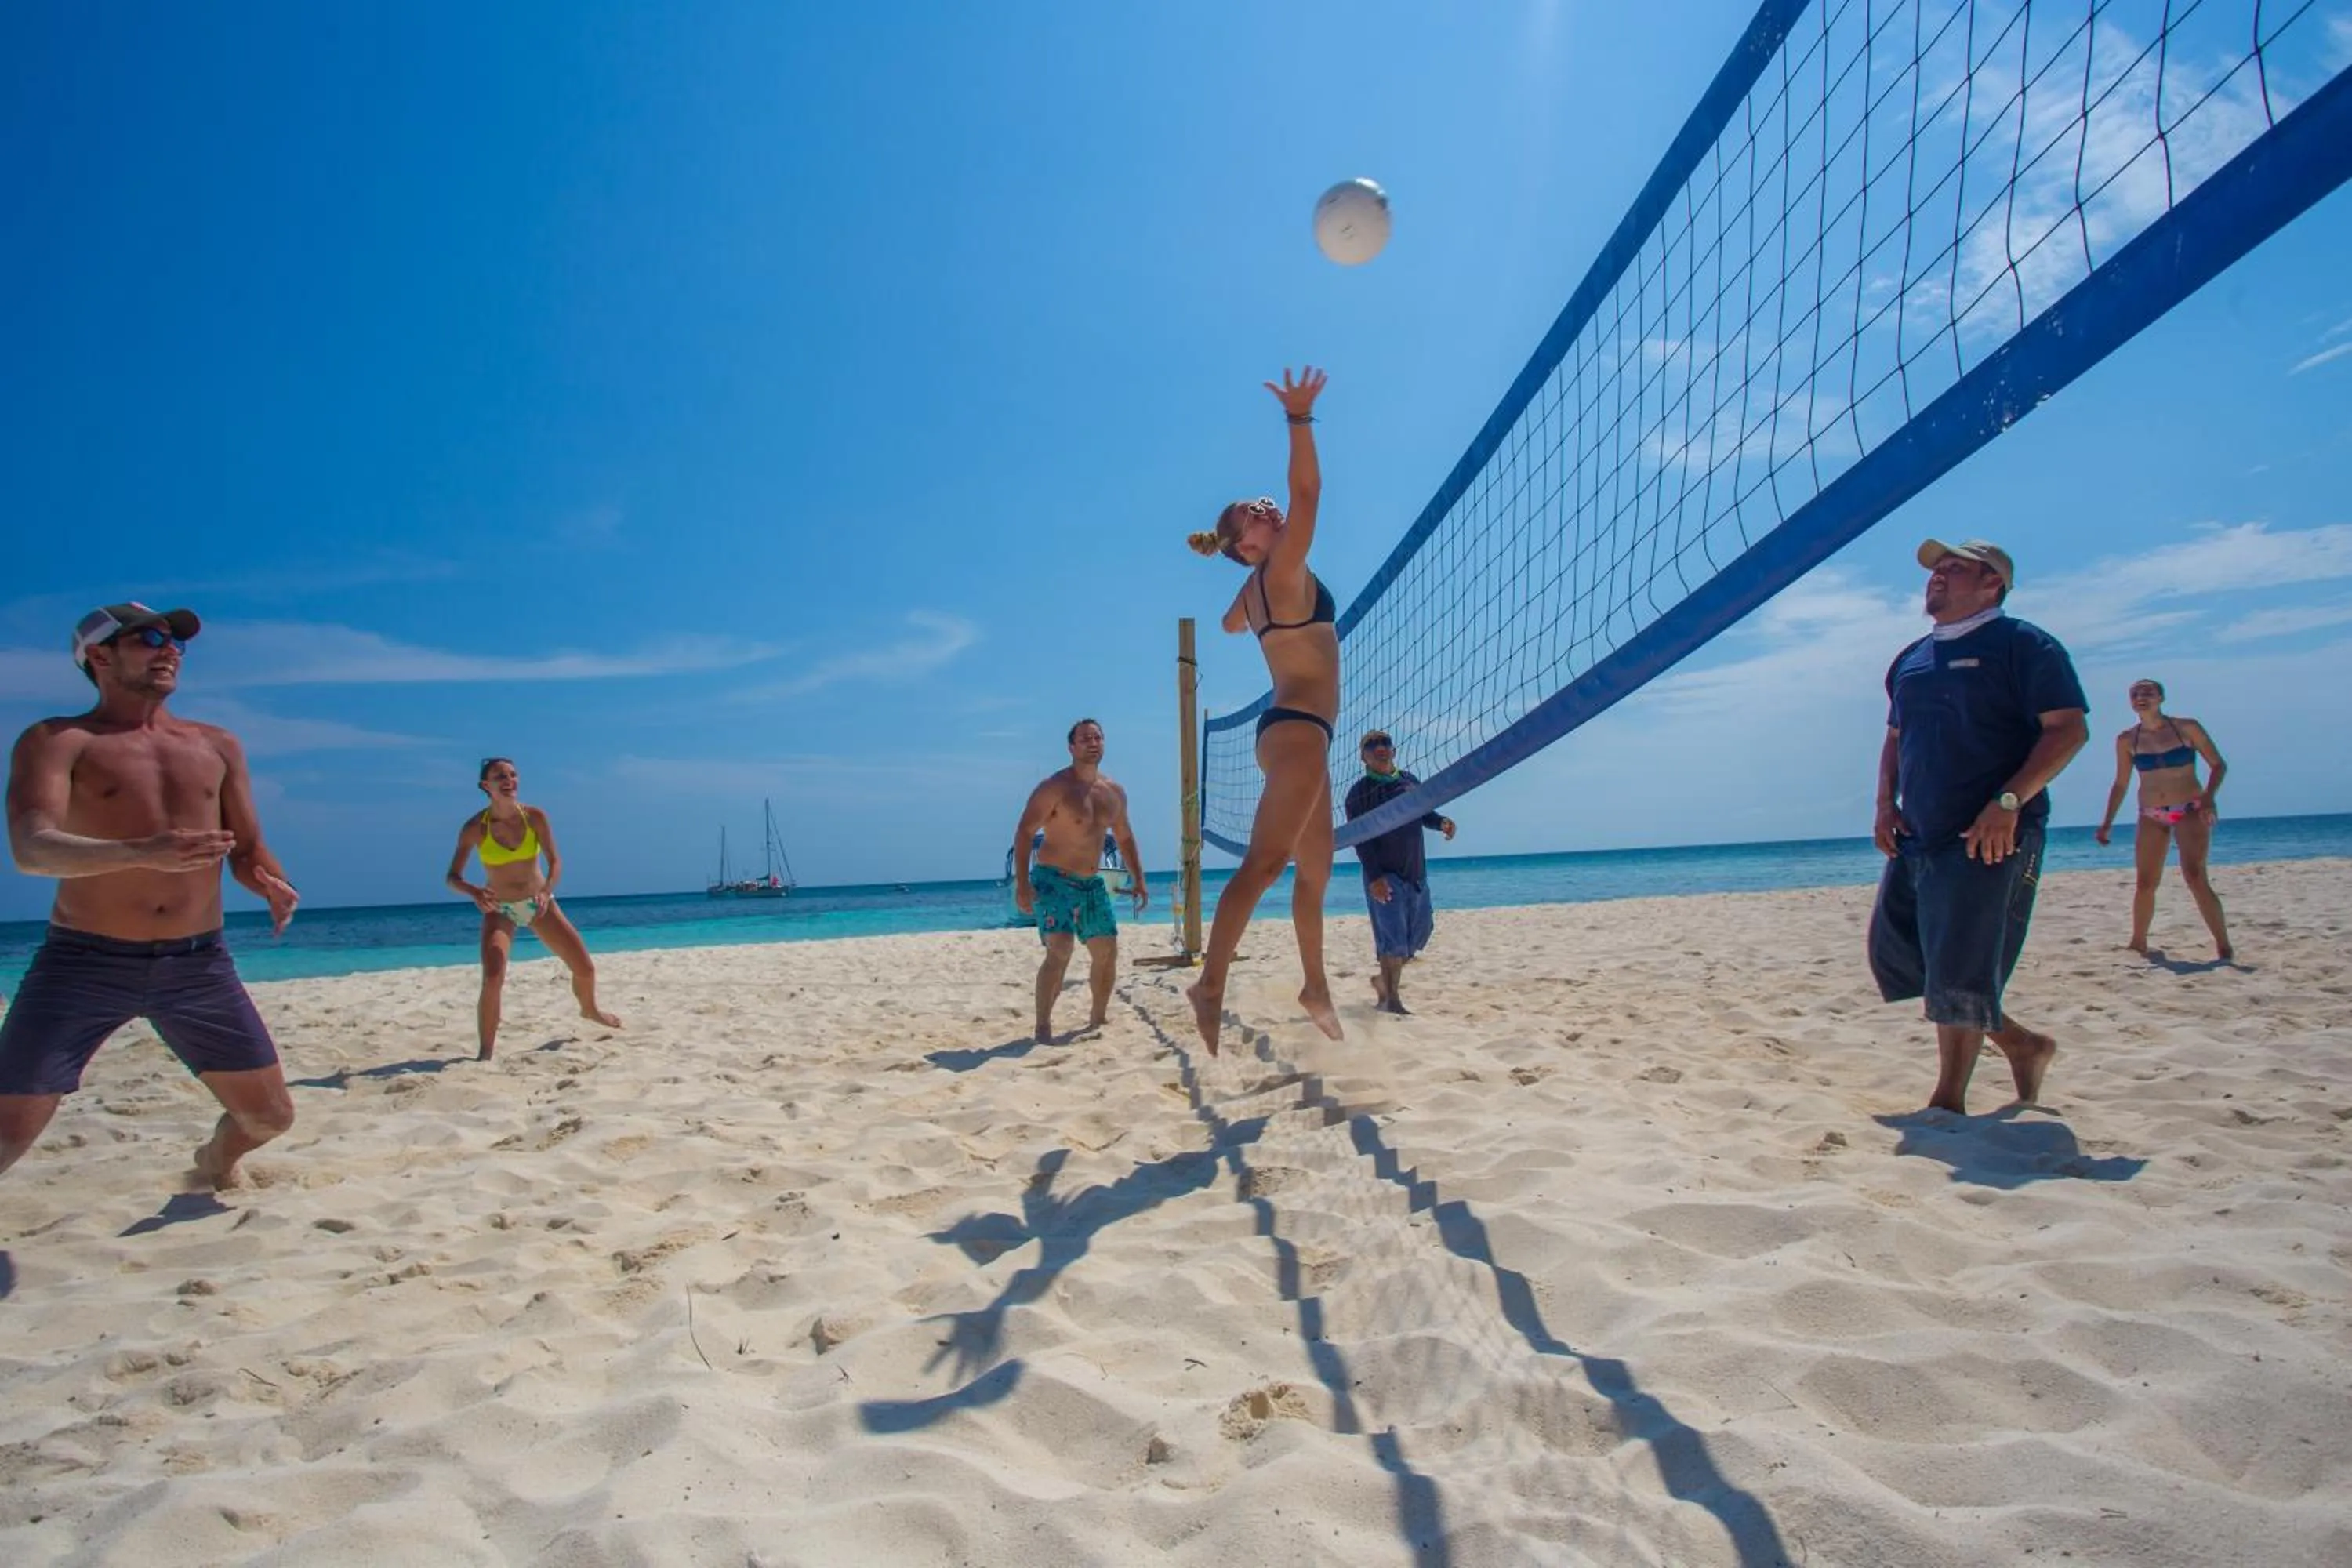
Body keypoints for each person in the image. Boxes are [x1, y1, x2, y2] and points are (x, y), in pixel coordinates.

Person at [1, 603, 299, 1188]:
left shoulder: (216, 745)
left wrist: (270, 881)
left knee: (269, 1117)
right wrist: (141, 852)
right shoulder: (58, 740)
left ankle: (214, 1164)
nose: (170, 652)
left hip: (197, 963)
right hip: (83, 962)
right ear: (99, 655)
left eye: (175, 642)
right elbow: (32, 849)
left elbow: (246, 848)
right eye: (150, 639)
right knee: (7, 1137)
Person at [1869, 541, 2089, 1116]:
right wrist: (1885, 804)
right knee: (1903, 956)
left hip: (1991, 830)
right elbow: (1895, 739)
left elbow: (2068, 731)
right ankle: (2022, 1044)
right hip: (1920, 828)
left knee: (1960, 966)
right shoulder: (1912, 658)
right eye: (1936, 570)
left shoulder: (2025, 645)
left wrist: (2009, 801)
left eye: (1954, 568)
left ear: (1993, 584)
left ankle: (1948, 1102)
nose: (1937, 577)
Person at [1183, 366, 1345, 1054]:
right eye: (1253, 515)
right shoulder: (1280, 569)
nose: (1266, 508)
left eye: (1257, 506)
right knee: (1267, 863)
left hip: (1299, 733)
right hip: (1299, 732)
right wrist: (1299, 418)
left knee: (1316, 870)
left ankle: (1316, 987)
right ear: (1250, 546)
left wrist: (1243, 575)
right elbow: (1307, 492)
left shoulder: (1257, 586)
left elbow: (1228, 624)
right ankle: (1210, 984)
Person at [445, 757, 621, 1060]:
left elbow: (555, 861)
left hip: (539, 905)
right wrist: (474, 891)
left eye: (513, 775)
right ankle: (485, 1053)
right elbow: (452, 877)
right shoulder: (475, 828)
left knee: (585, 968)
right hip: (500, 909)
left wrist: (546, 891)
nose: (509, 780)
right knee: (493, 977)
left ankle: (590, 1010)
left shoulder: (534, 817)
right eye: (500, 776)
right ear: (486, 785)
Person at [1011, 720, 1148, 1044]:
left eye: (1098, 737)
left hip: (1090, 882)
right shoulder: (1054, 788)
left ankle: (1098, 1018)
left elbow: (1125, 837)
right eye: (1085, 738)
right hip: (1052, 878)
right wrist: (1022, 885)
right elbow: (1025, 831)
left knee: (1107, 951)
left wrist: (1139, 879)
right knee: (1060, 948)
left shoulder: (1113, 792)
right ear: (1071, 747)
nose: (1093, 743)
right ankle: (1043, 1026)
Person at [2093, 679, 2233, 960]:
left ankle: (2223, 944)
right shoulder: (2127, 739)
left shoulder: (2186, 728)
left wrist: (2208, 798)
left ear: (2161, 698)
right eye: (2135, 694)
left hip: (2189, 808)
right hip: (2151, 813)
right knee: (2145, 882)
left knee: (2195, 876)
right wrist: (2107, 822)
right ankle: (2138, 942)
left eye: (2148, 692)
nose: (2141, 697)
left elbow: (2218, 765)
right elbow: (2121, 784)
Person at [1342, 730, 1456, 1014]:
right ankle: (1391, 1001)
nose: (1380, 747)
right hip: (1383, 875)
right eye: (1371, 745)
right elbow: (1360, 840)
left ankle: (1384, 980)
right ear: (1363, 757)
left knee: (1420, 934)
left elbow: (1425, 814)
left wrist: (1441, 822)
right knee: (1393, 941)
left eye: (1385, 743)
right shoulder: (1359, 793)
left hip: (1415, 873)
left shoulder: (1409, 781)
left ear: (1393, 750)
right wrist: (1375, 878)